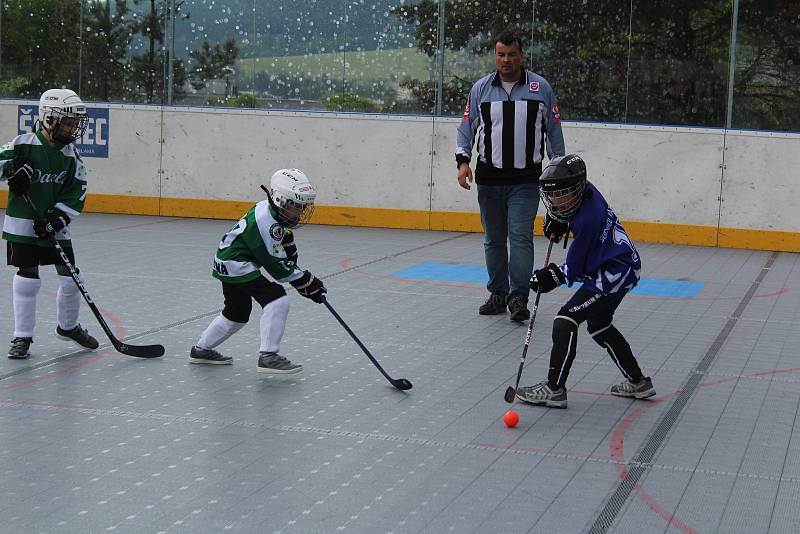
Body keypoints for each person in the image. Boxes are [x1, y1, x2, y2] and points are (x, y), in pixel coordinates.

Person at [516, 154, 655, 408]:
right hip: (621, 265)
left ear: (577, 189)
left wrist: (550, 276)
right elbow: (570, 214)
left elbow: (574, 270)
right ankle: (638, 382)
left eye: (562, 195)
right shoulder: (586, 191)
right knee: (599, 325)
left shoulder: (589, 220)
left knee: (565, 320)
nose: (556, 200)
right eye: (553, 195)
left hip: (614, 272)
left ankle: (555, 389)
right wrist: (559, 220)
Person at [456, 29, 566, 322]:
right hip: (489, 181)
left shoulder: (540, 88)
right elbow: (466, 128)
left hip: (525, 182)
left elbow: (554, 133)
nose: (505, 60)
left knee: (519, 238)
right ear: (495, 55)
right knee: (493, 239)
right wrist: (463, 162)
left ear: (521, 55)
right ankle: (498, 294)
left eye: (511, 54)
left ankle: (518, 297)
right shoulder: (480, 89)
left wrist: (560, 175)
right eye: (500, 54)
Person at [189, 168, 326, 374]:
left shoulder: (268, 209)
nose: (299, 212)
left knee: (236, 314)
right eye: (295, 207)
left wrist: (285, 239)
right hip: (237, 265)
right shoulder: (266, 223)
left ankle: (201, 349)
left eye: (301, 207)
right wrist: (306, 282)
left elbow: (277, 242)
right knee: (277, 299)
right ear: (280, 200)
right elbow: (277, 268)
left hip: (228, 262)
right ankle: (269, 356)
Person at [0, 88, 99, 360]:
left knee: (71, 278)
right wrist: (13, 171)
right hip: (22, 225)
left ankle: (68, 327)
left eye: (75, 122)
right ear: (49, 118)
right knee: (27, 279)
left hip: (55, 227)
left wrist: (58, 217)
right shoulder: (23, 144)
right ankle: (22, 337)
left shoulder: (71, 156)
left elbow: (77, 192)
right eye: (67, 121)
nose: (72, 128)